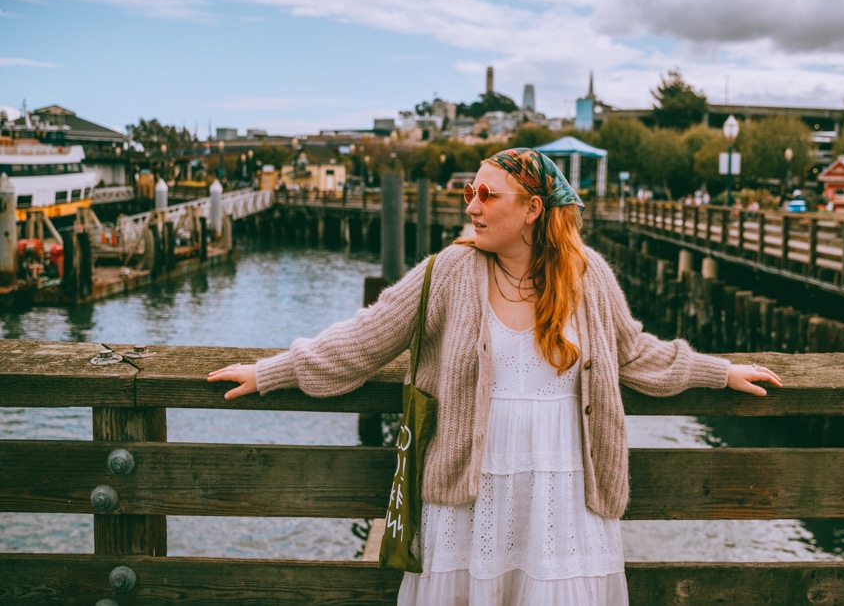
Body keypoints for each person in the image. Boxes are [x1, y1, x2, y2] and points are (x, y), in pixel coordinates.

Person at [208, 148, 781, 606]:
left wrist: (719, 372)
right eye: (468, 193)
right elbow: (364, 339)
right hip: (470, 498)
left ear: (532, 209)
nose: (472, 207)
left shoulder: (588, 277)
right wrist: (271, 371)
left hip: (563, 497)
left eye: (487, 194)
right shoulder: (450, 271)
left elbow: (635, 354)